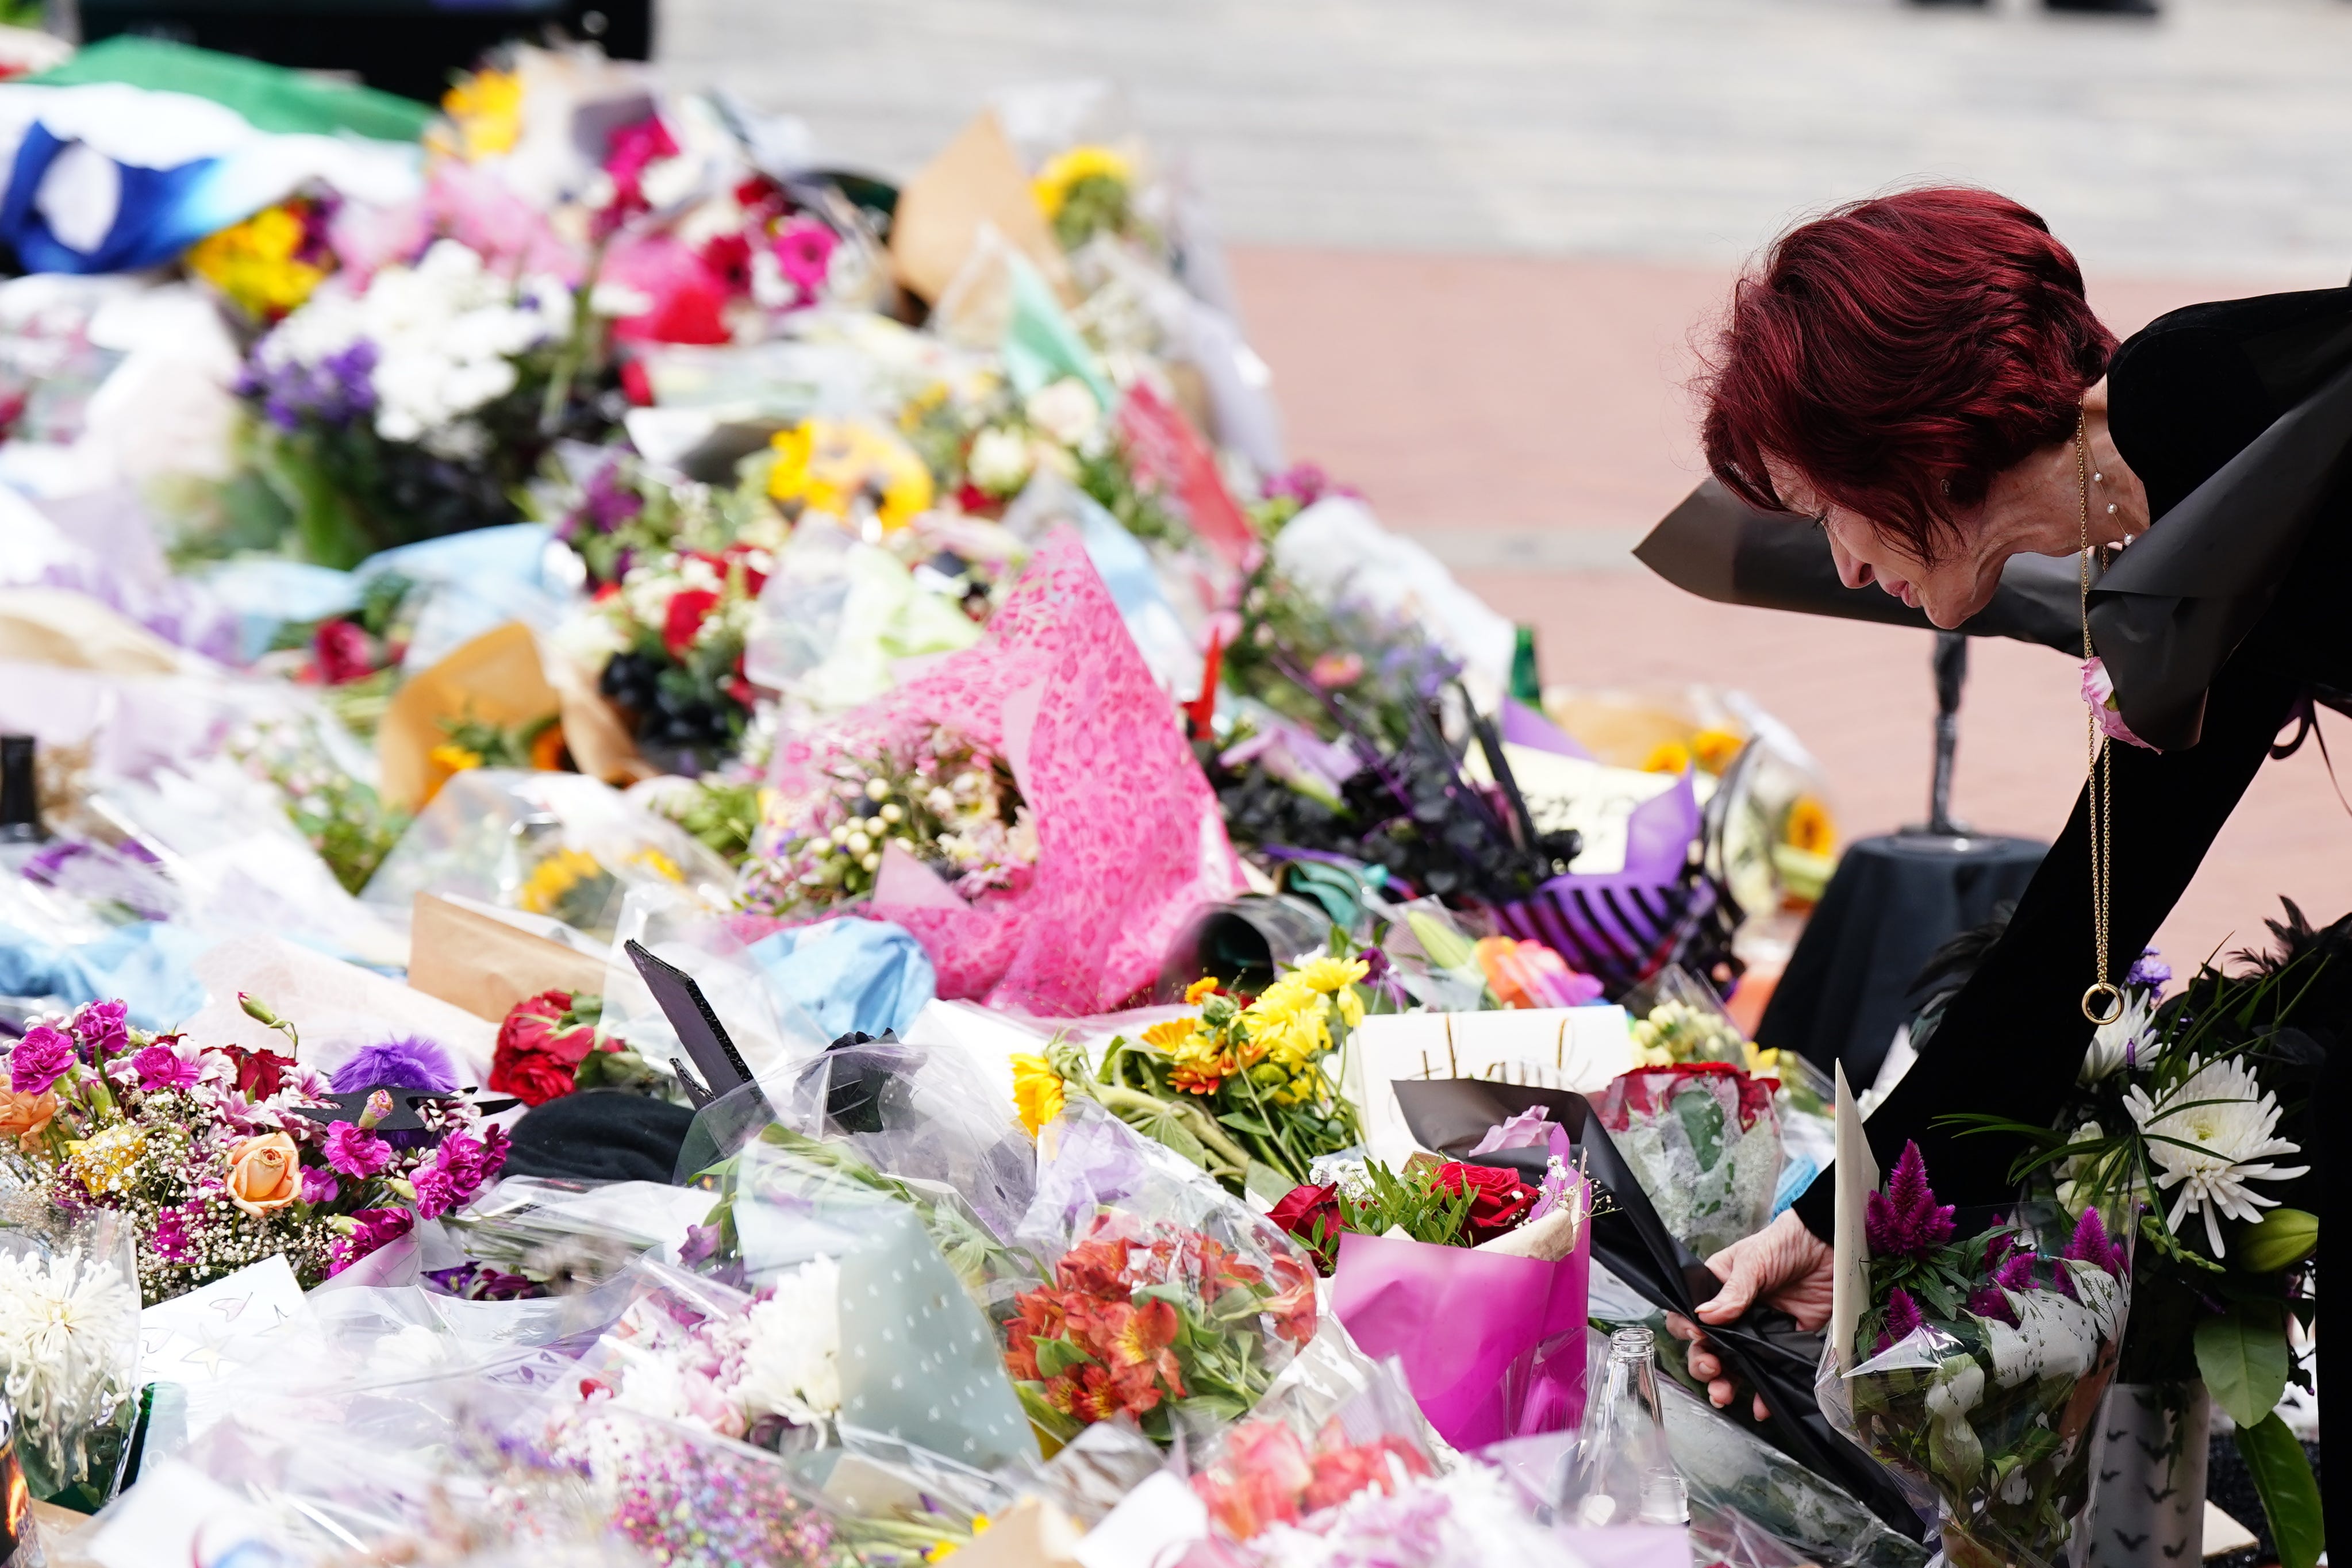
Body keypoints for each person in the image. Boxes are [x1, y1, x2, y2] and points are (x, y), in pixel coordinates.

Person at [1658, 187, 2344, 1539]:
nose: (1845, 567)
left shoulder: (2204, 406)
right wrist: (1837, 1219)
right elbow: (2087, 921)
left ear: (1909, 438)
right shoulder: (2171, 512)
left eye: (1829, 509)